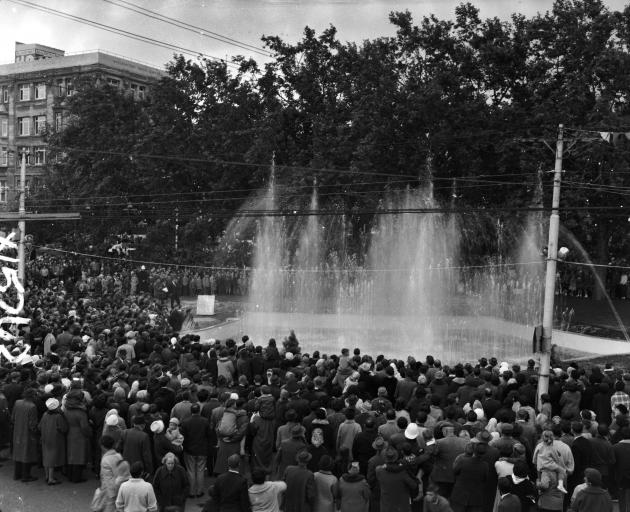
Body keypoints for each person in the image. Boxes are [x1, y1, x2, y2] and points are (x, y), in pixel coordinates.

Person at [181, 402, 211, 497]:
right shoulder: (205, 421)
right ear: (199, 411)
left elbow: (183, 437)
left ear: (191, 411)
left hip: (189, 450)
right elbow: (208, 435)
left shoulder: (185, 422)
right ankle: (199, 491)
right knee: (200, 471)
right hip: (202, 449)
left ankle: (192, 492)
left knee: (191, 471)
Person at [375, 447, 419, 512]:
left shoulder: (379, 470)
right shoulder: (402, 472)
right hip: (402, 507)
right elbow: (414, 485)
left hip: (387, 506)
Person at [11, 388, 39, 482]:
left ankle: (16, 474)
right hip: (27, 434)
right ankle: (26, 476)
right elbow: (32, 425)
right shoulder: (32, 406)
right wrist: (36, 432)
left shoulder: (17, 402)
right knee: (27, 454)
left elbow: (13, 417)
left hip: (17, 431)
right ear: (33, 396)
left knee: (18, 452)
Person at [38, 397, 68, 485]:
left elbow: (39, 426)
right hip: (55, 440)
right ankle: (51, 479)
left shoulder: (44, 415)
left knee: (46, 457)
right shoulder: (58, 416)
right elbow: (64, 428)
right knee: (52, 458)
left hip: (45, 438)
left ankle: (47, 476)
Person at [101, 435, 125, 512]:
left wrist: (109, 492)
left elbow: (106, 478)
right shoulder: (119, 456)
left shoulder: (105, 459)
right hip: (120, 485)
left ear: (103, 447)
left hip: (110, 489)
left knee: (110, 507)